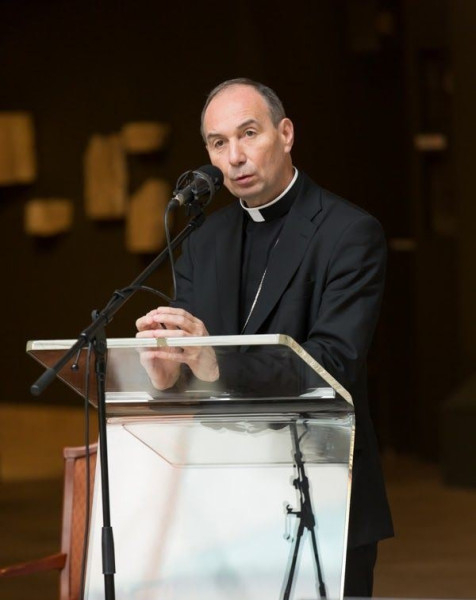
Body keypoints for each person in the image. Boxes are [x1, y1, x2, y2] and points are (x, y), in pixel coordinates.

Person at [136, 78, 394, 596]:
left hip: (322, 493)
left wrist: (214, 363)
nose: (234, 157)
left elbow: (333, 363)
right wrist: (168, 374)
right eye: (218, 143)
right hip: (224, 498)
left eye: (248, 134)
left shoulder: (348, 233)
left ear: (286, 133)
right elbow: (194, 363)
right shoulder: (203, 241)